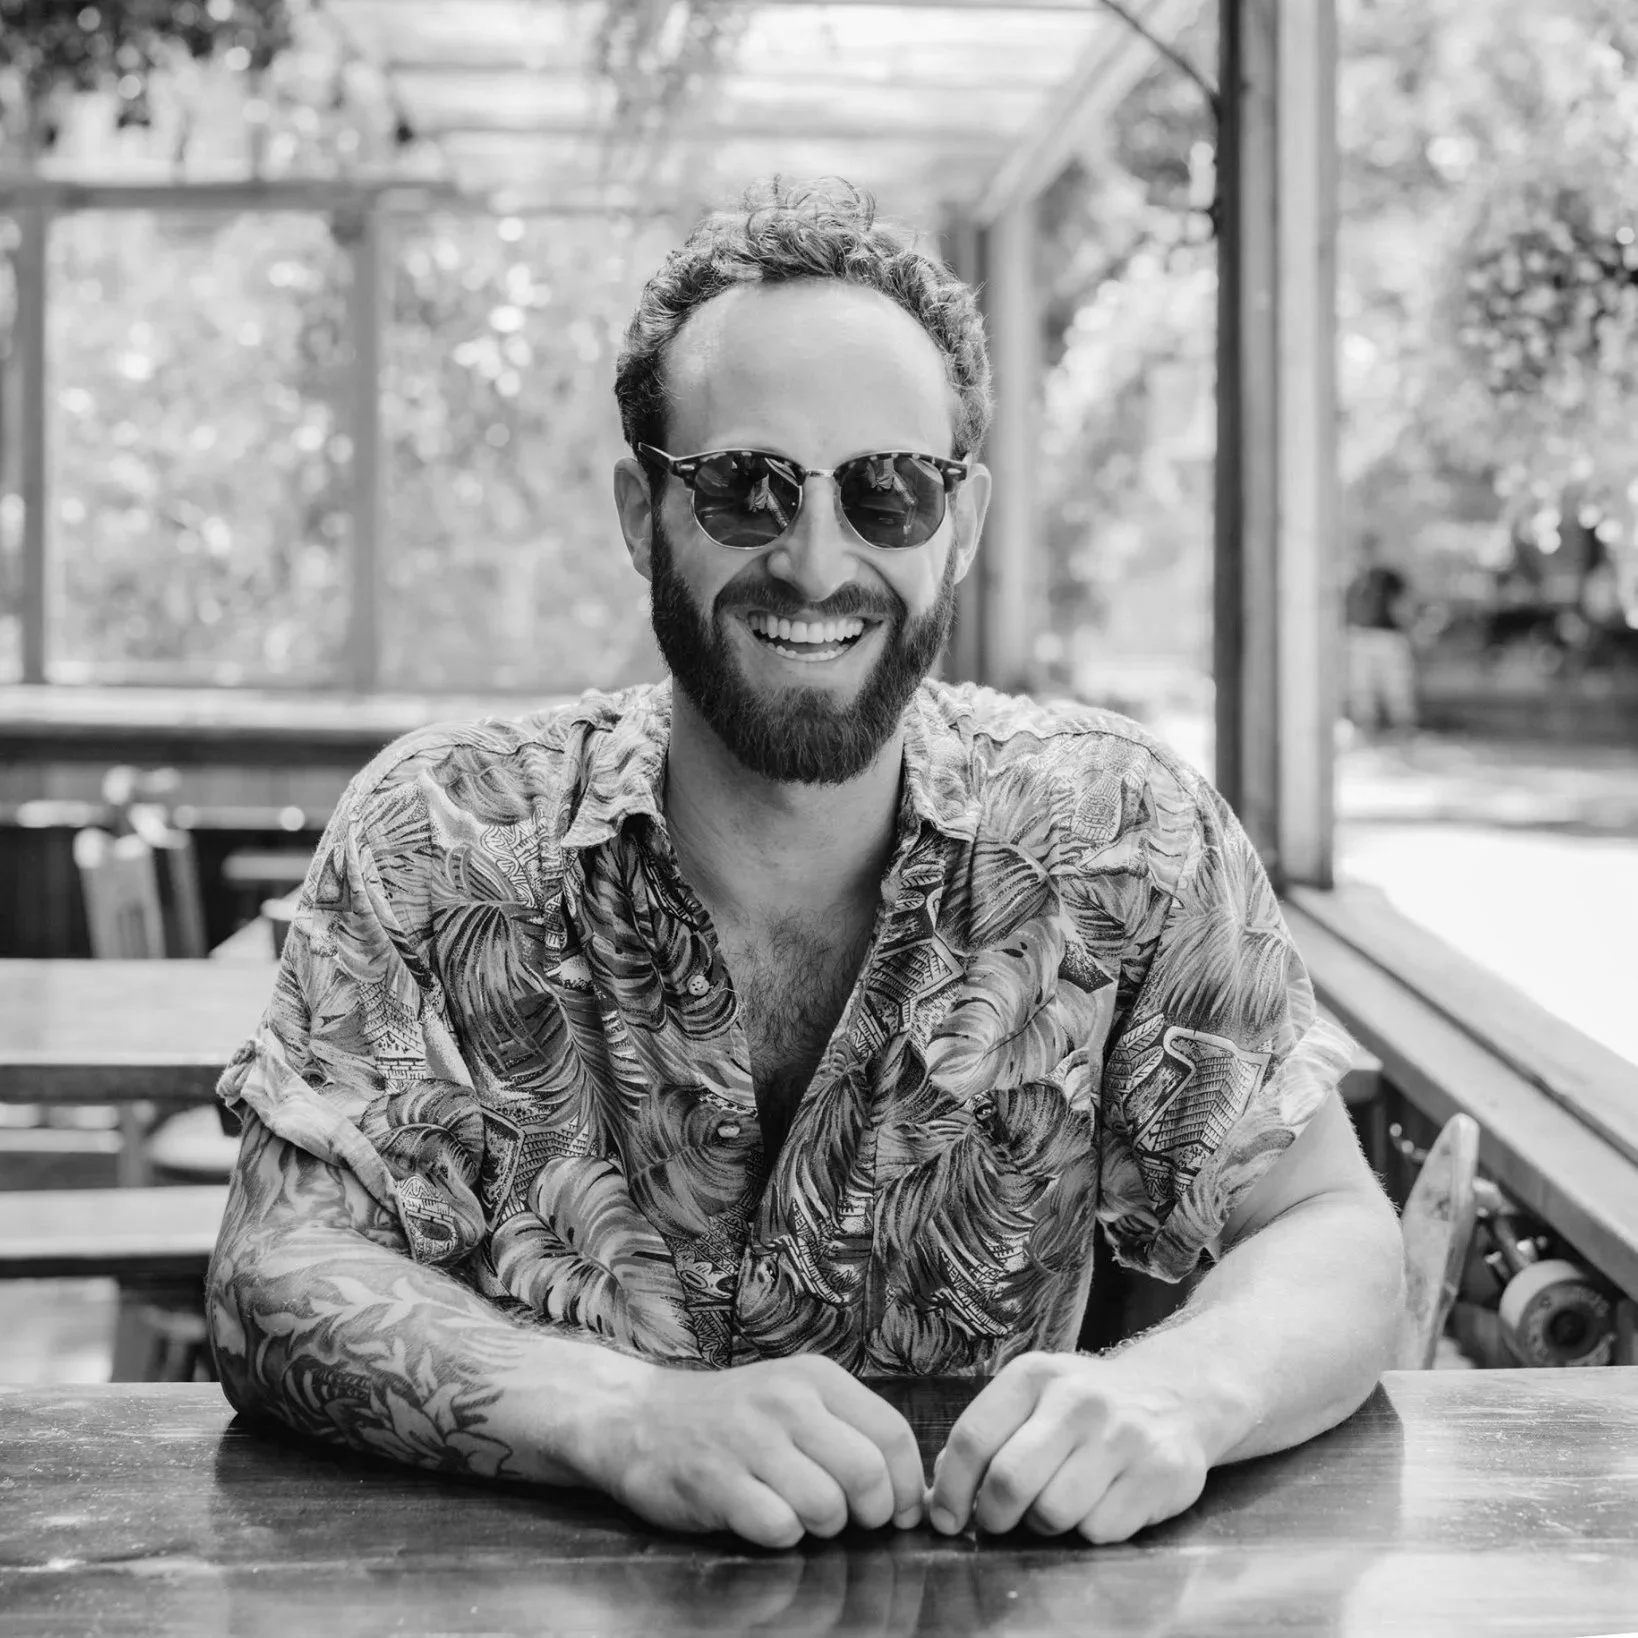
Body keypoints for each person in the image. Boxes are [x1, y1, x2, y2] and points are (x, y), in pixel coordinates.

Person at [207, 179, 1404, 1551]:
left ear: (961, 521)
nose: (818, 561)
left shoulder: (1115, 831)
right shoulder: (442, 829)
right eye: (744, 485)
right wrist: (620, 1416)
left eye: (888, 492)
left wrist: (1182, 1394)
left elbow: (1330, 1230)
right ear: (638, 509)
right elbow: (273, 1272)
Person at [1344, 535, 1418, 734]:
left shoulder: (1388, 576)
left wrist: (1410, 628)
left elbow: (1405, 604)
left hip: (1388, 637)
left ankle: (1403, 730)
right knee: (1361, 691)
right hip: (1361, 638)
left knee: (1397, 690)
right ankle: (1367, 731)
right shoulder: (1354, 579)